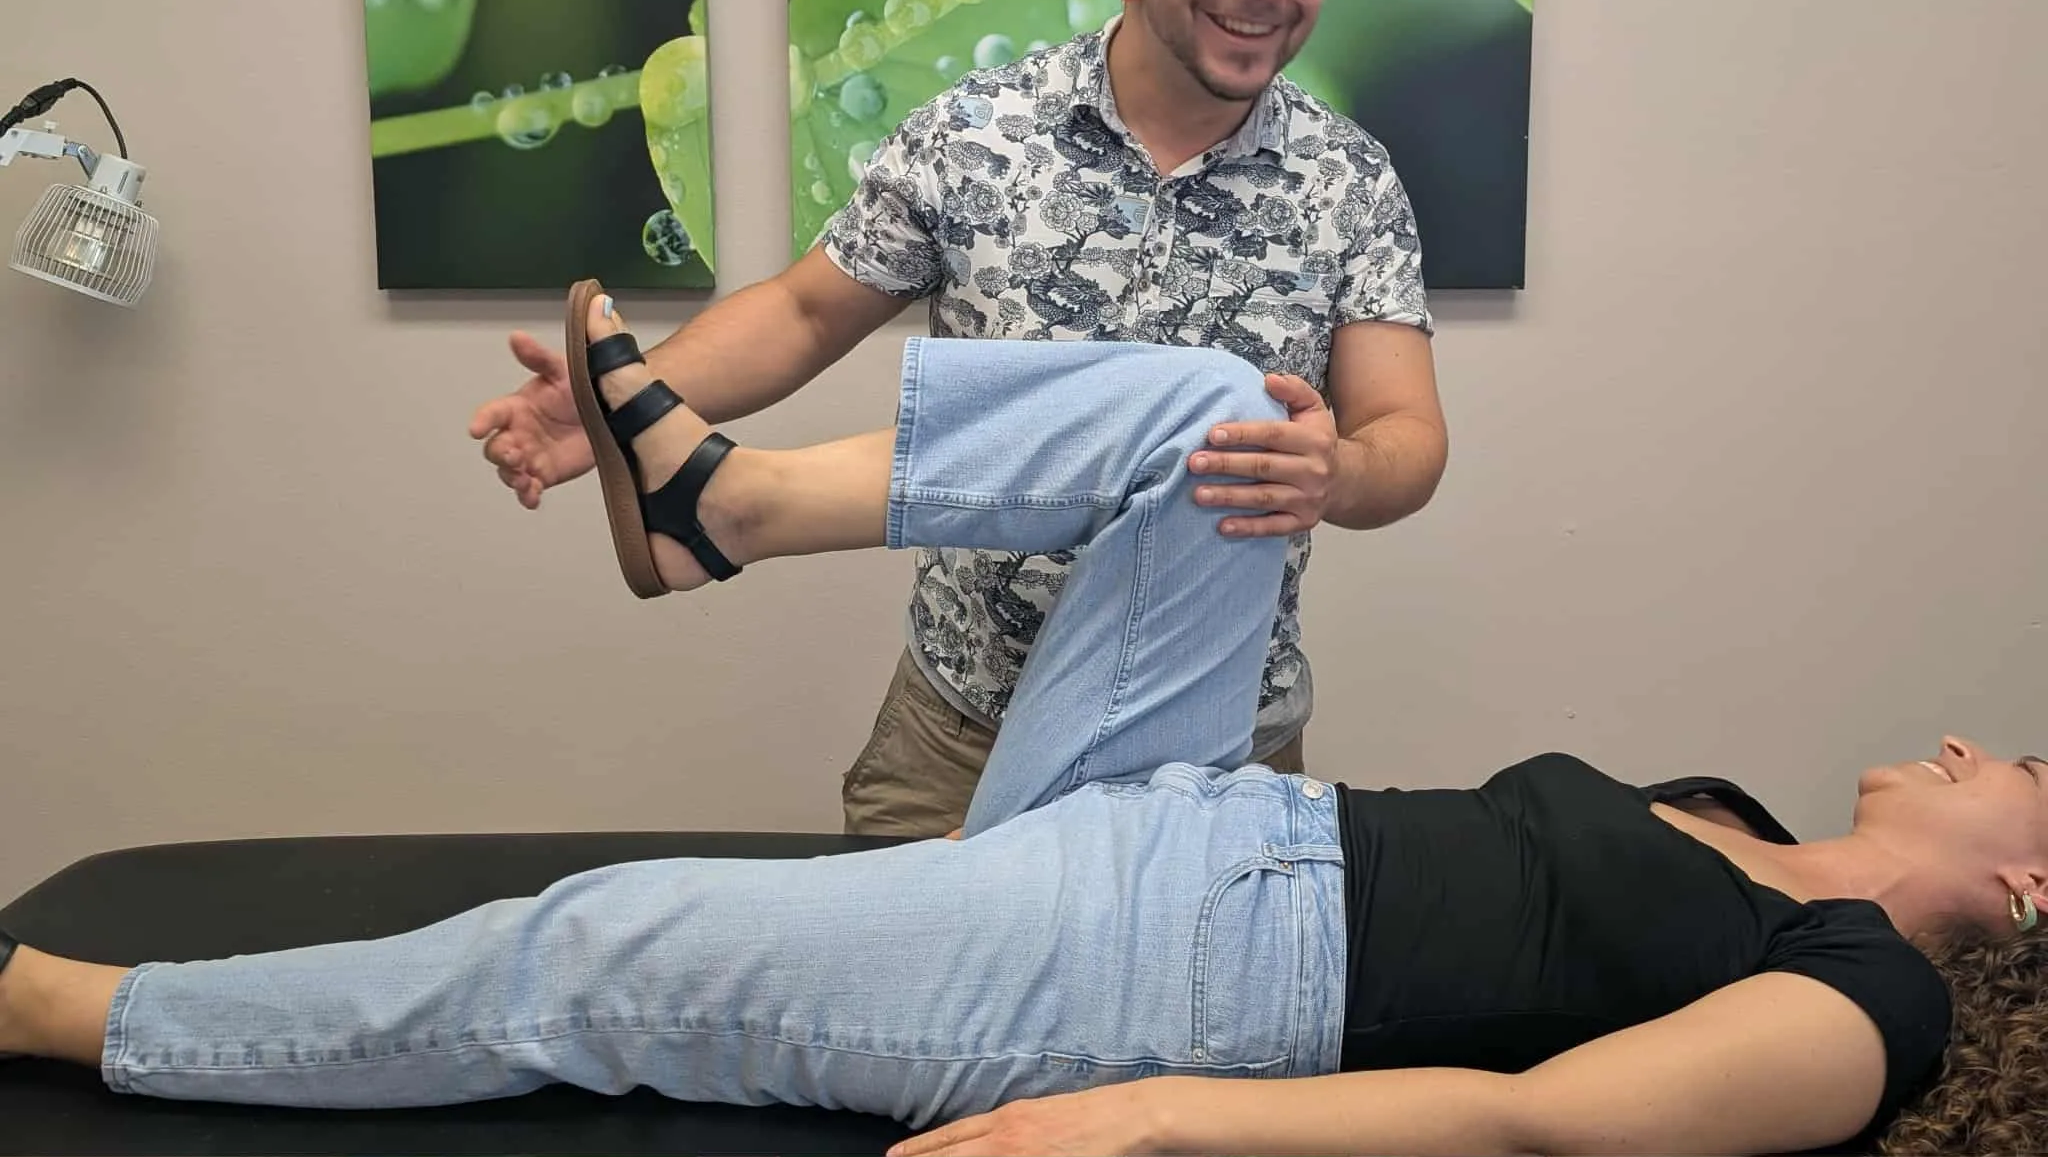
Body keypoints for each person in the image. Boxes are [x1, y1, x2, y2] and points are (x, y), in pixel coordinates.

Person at [4, 285, 2042, 1157]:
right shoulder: (1729, 814)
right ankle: (733, 508)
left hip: (1176, 972)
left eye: (2014, 771)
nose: (1967, 744)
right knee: (1220, 412)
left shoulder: (1865, 994)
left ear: (2029, 889)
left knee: (595, 947)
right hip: (1187, 803)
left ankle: (77, 1010)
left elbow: (1543, 1126)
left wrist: (1153, 1118)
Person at [467, 0, 1451, 839]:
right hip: (961, 739)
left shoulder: (1347, 179)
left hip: (1215, 753)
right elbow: (803, 315)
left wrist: (1338, 470)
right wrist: (622, 407)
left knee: (1221, 404)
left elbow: (1405, 435)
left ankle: (741, 505)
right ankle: (725, 504)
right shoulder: (981, 132)